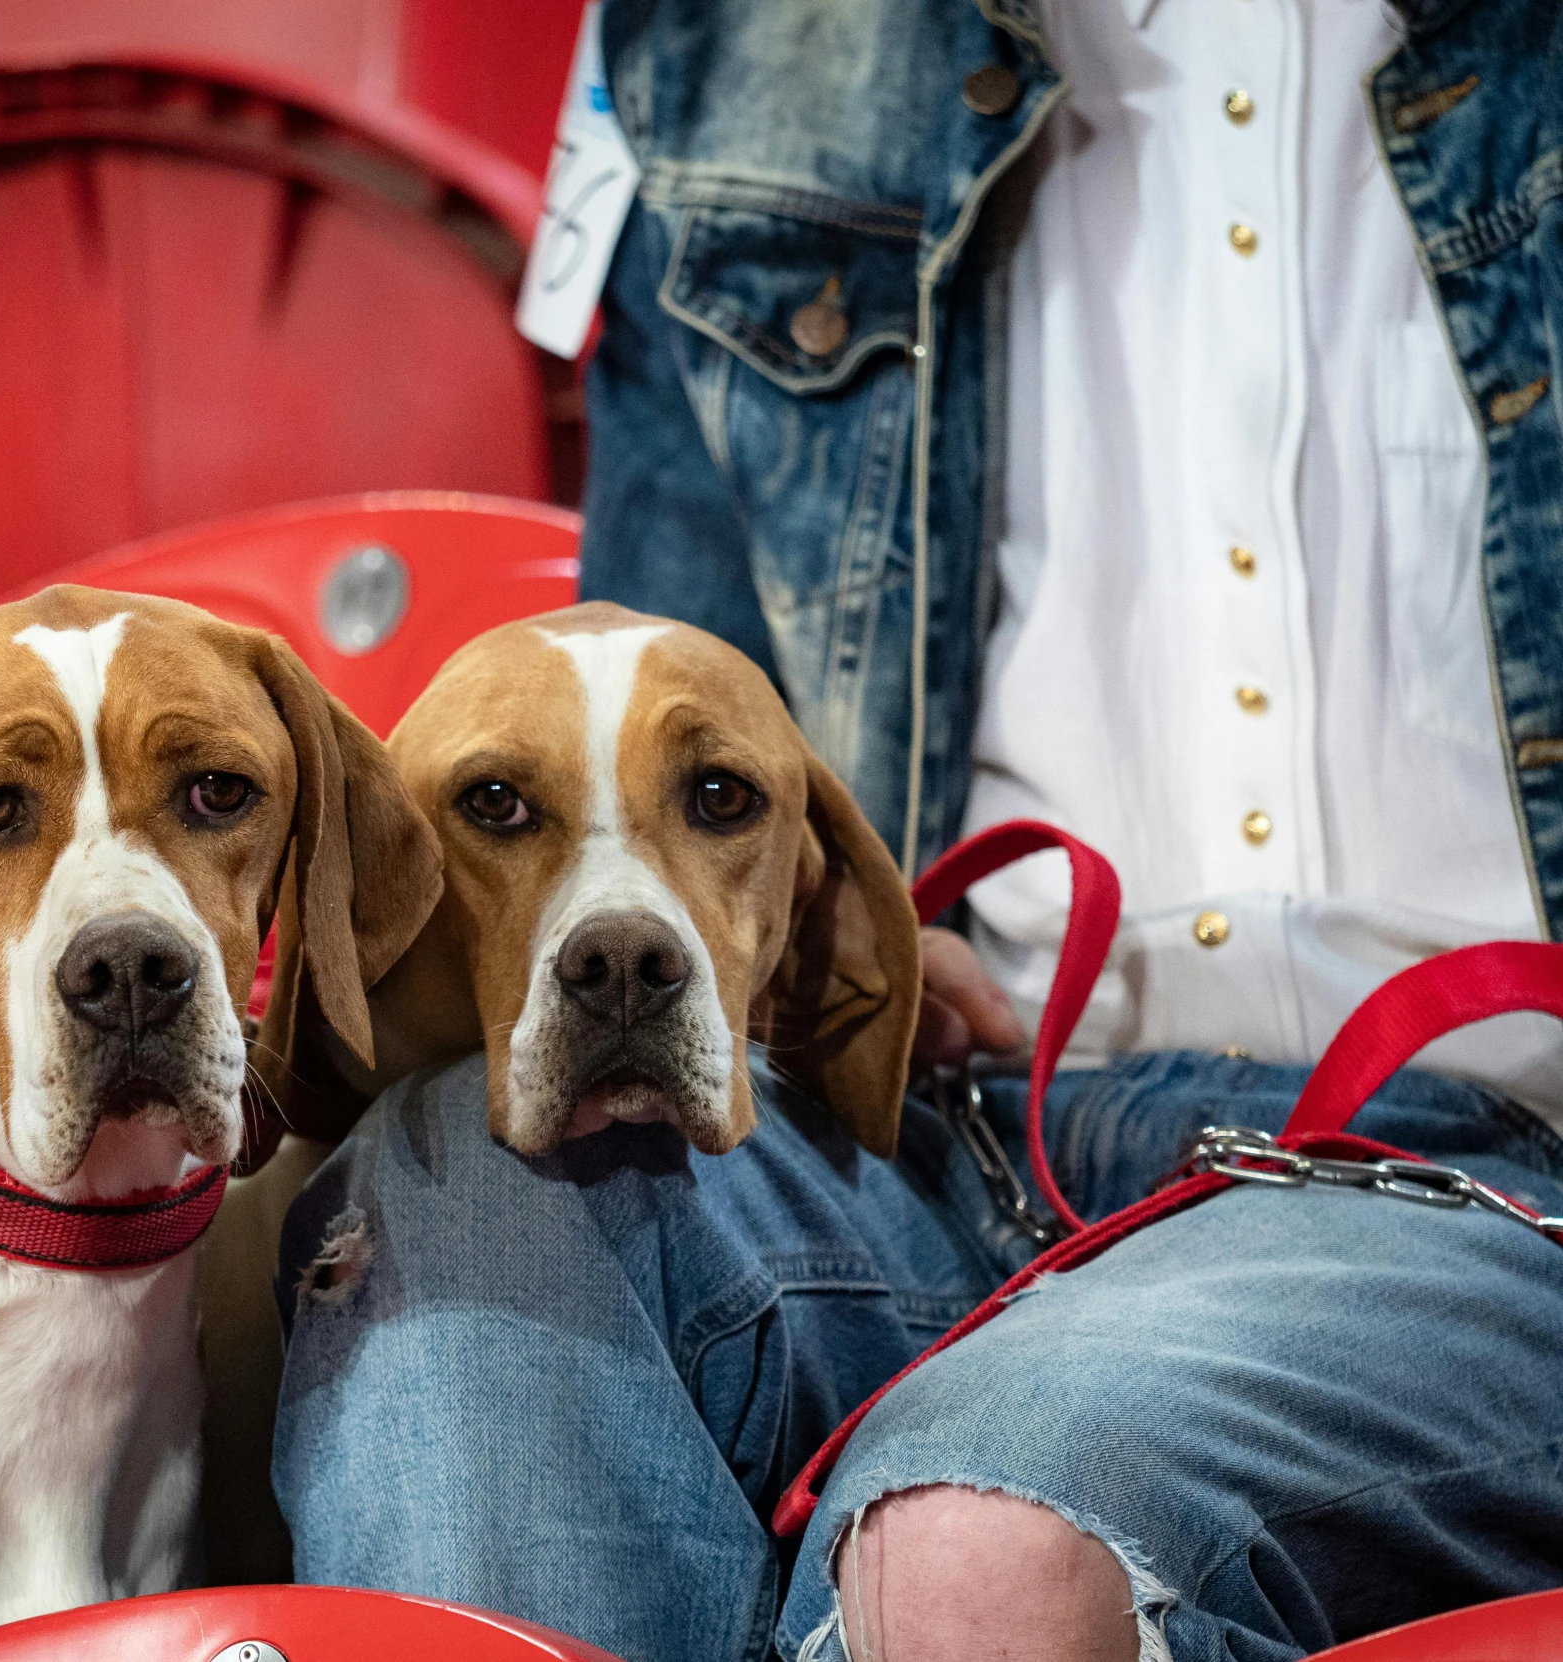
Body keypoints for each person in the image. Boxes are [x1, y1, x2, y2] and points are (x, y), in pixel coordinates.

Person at [270, 2, 1563, 1658]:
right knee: (445, 1198)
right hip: (934, 1120)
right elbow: (637, 717)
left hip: (1469, 1173)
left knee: (974, 1548)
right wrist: (815, 943)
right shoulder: (735, 35)